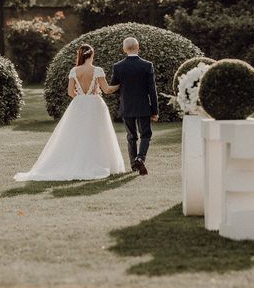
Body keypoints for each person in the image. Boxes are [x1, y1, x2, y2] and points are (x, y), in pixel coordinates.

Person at [14, 44, 125, 181]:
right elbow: (107, 90)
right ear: (92, 54)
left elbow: (70, 92)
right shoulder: (97, 70)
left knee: (77, 134)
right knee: (97, 134)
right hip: (95, 104)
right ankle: (97, 162)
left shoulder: (74, 70)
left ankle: (77, 161)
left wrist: (81, 98)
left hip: (78, 104)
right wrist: (121, 84)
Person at [110, 37, 159, 175]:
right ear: (138, 47)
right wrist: (155, 110)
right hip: (143, 106)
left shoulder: (118, 66)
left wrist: (124, 92)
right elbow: (152, 90)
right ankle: (140, 158)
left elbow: (114, 87)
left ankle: (134, 165)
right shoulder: (147, 65)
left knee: (131, 136)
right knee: (146, 134)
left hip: (127, 106)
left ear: (124, 49)